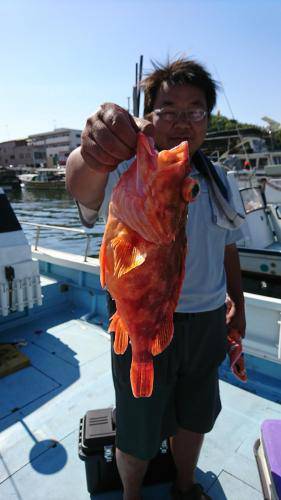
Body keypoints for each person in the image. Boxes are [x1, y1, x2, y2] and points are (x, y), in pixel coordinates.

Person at [66, 57, 246, 500]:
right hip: (139, 318)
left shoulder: (221, 180)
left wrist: (236, 306)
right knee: (138, 425)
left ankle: (185, 486)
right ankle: (132, 495)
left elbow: (228, 247)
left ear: (208, 118)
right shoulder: (127, 171)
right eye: (168, 109)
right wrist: (91, 150)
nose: (183, 122)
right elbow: (79, 181)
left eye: (195, 110)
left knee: (195, 416)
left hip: (206, 322)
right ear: (149, 116)